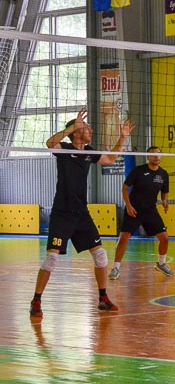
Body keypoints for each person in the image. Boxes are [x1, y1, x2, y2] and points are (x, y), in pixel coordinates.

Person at [30, 109, 135, 318]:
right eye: (86, 128)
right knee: (51, 259)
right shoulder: (64, 149)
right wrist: (72, 127)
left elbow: (110, 159)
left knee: (101, 255)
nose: (91, 130)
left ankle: (103, 298)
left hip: (81, 213)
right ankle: (36, 300)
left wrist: (122, 138)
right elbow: (50, 143)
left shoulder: (89, 151)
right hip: (62, 213)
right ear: (77, 132)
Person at [108, 146, 171, 280]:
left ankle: (161, 263)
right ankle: (116, 268)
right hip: (134, 209)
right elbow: (125, 189)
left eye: (159, 154)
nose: (156, 157)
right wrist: (128, 206)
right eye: (153, 154)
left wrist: (165, 201)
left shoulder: (163, 174)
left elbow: (165, 191)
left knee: (164, 238)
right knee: (124, 238)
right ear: (147, 157)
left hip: (150, 210)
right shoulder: (138, 171)